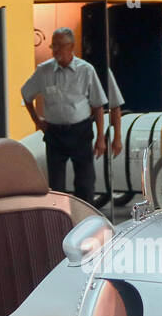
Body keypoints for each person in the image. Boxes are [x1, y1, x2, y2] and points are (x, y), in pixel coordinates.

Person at [21, 28, 107, 201]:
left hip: (80, 131)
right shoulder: (43, 71)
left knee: (85, 182)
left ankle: (84, 218)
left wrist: (100, 138)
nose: (56, 50)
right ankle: (59, 219)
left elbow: (98, 106)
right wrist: (37, 120)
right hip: (55, 133)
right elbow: (26, 93)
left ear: (72, 46)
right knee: (56, 185)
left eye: (60, 46)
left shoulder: (86, 70)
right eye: (53, 46)